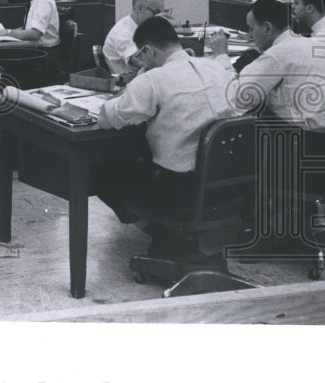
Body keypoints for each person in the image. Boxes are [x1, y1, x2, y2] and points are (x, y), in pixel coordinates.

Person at [93, 17, 237, 242]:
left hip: (180, 189)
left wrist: (137, 80)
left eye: (141, 56)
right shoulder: (218, 68)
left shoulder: (153, 79)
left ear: (148, 50)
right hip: (229, 183)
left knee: (99, 171)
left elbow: (105, 118)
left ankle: (163, 235)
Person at [206, 0, 325, 133]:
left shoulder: (278, 54)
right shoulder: (304, 42)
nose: (249, 34)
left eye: (251, 28)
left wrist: (221, 55)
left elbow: (238, 99)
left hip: (304, 138)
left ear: (267, 28)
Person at [102, 0, 168, 76]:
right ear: (140, 9)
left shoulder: (143, 27)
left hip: (144, 76)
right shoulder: (122, 32)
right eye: (156, 13)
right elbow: (140, 61)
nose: (160, 18)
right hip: (129, 81)